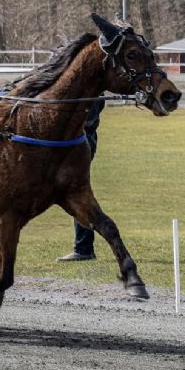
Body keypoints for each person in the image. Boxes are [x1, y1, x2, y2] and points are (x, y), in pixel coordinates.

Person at [56, 99, 105, 262]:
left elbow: (84, 123)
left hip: (80, 147)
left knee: (77, 195)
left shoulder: (90, 91)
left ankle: (84, 248)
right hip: (76, 145)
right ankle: (83, 247)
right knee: (76, 195)